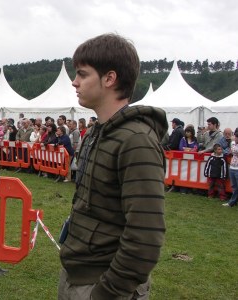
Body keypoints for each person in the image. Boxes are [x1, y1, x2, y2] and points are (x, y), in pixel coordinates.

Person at [59, 33, 167, 300]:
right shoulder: (98, 132)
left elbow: (145, 237)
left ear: (109, 78)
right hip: (79, 273)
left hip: (103, 284)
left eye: (82, 74)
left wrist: (107, 292)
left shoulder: (136, 141)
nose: (74, 82)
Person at [223, 127, 238, 207]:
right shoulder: (232, 143)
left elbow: (233, 151)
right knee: (234, 186)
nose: (236, 138)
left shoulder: (232, 144)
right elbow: (230, 151)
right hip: (232, 166)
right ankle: (232, 202)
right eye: (236, 136)